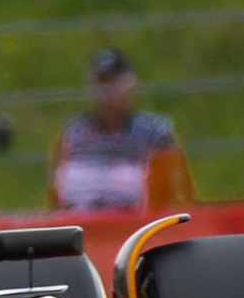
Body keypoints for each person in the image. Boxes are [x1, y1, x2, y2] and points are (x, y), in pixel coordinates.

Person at [48, 48, 196, 212]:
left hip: (135, 228)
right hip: (81, 224)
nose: (106, 92)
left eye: (112, 83)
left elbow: (179, 198)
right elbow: (56, 196)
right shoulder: (74, 134)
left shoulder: (154, 134)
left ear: (130, 84)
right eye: (99, 83)